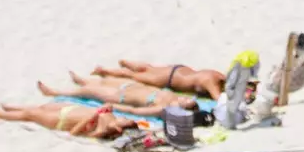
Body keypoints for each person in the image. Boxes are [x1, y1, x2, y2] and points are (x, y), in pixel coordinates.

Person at [0, 101, 151, 140]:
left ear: (119, 129)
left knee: (30, 115)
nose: (125, 118)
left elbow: (73, 133)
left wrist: (93, 116)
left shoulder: (101, 130)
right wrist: (106, 108)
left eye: (126, 121)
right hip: (69, 109)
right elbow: (107, 105)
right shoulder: (112, 118)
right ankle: (11, 108)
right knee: (41, 107)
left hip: (62, 120)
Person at [41, 73, 196, 113]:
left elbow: (135, 110)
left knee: (87, 92)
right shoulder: (174, 96)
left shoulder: (163, 108)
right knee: (104, 81)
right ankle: (82, 80)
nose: (184, 98)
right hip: (131, 86)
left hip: (121, 97)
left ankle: (54, 92)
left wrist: (115, 107)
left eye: (186, 101)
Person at [91, 60, 227, 97]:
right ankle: (104, 71)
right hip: (169, 78)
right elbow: (220, 100)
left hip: (178, 70)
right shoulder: (212, 82)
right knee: (134, 76)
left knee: (149, 68)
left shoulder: (218, 75)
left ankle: (127, 63)